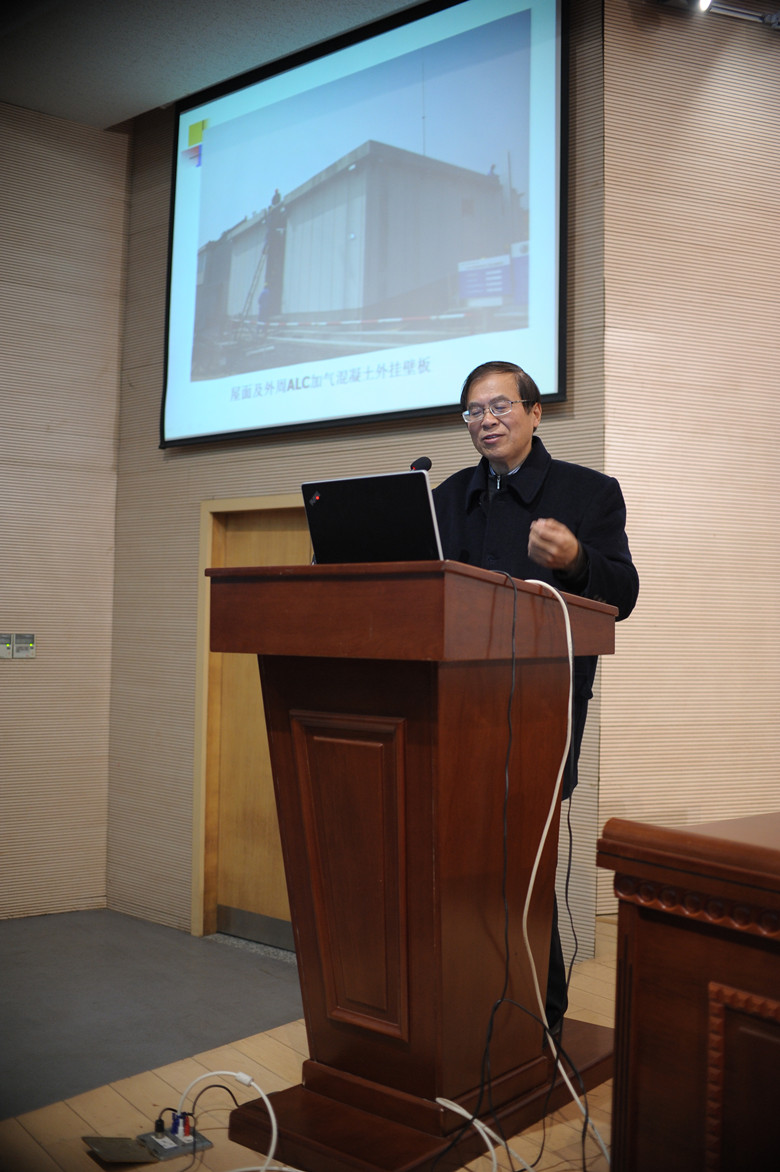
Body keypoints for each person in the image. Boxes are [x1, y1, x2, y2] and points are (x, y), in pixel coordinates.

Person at [433, 360, 639, 1036]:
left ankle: (540, 1017)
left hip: (540, 708)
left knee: (523, 861)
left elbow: (624, 595)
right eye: (473, 410)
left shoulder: (588, 493)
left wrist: (577, 559)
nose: (485, 420)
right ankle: (465, 1004)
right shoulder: (449, 497)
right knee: (456, 858)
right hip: (449, 705)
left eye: (499, 406)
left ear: (534, 411)